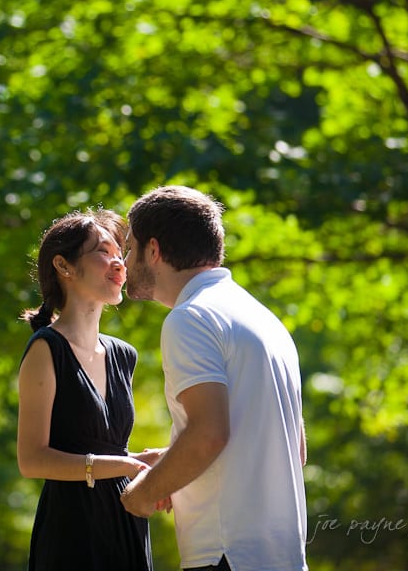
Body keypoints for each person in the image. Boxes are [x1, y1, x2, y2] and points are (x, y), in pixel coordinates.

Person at [119, 185, 308, 571]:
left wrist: (143, 494)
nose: (123, 261)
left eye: (129, 248)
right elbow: (295, 448)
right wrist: (174, 464)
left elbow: (209, 435)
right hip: (284, 556)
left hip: (227, 557)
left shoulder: (191, 318)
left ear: (153, 251)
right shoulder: (263, 318)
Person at [16, 208, 155, 571]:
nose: (120, 265)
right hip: (72, 530)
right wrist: (121, 465)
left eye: (119, 255)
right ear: (64, 266)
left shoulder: (125, 355)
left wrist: (151, 464)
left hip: (126, 519)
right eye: (103, 253)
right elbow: (31, 460)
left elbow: (116, 450)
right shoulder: (46, 349)